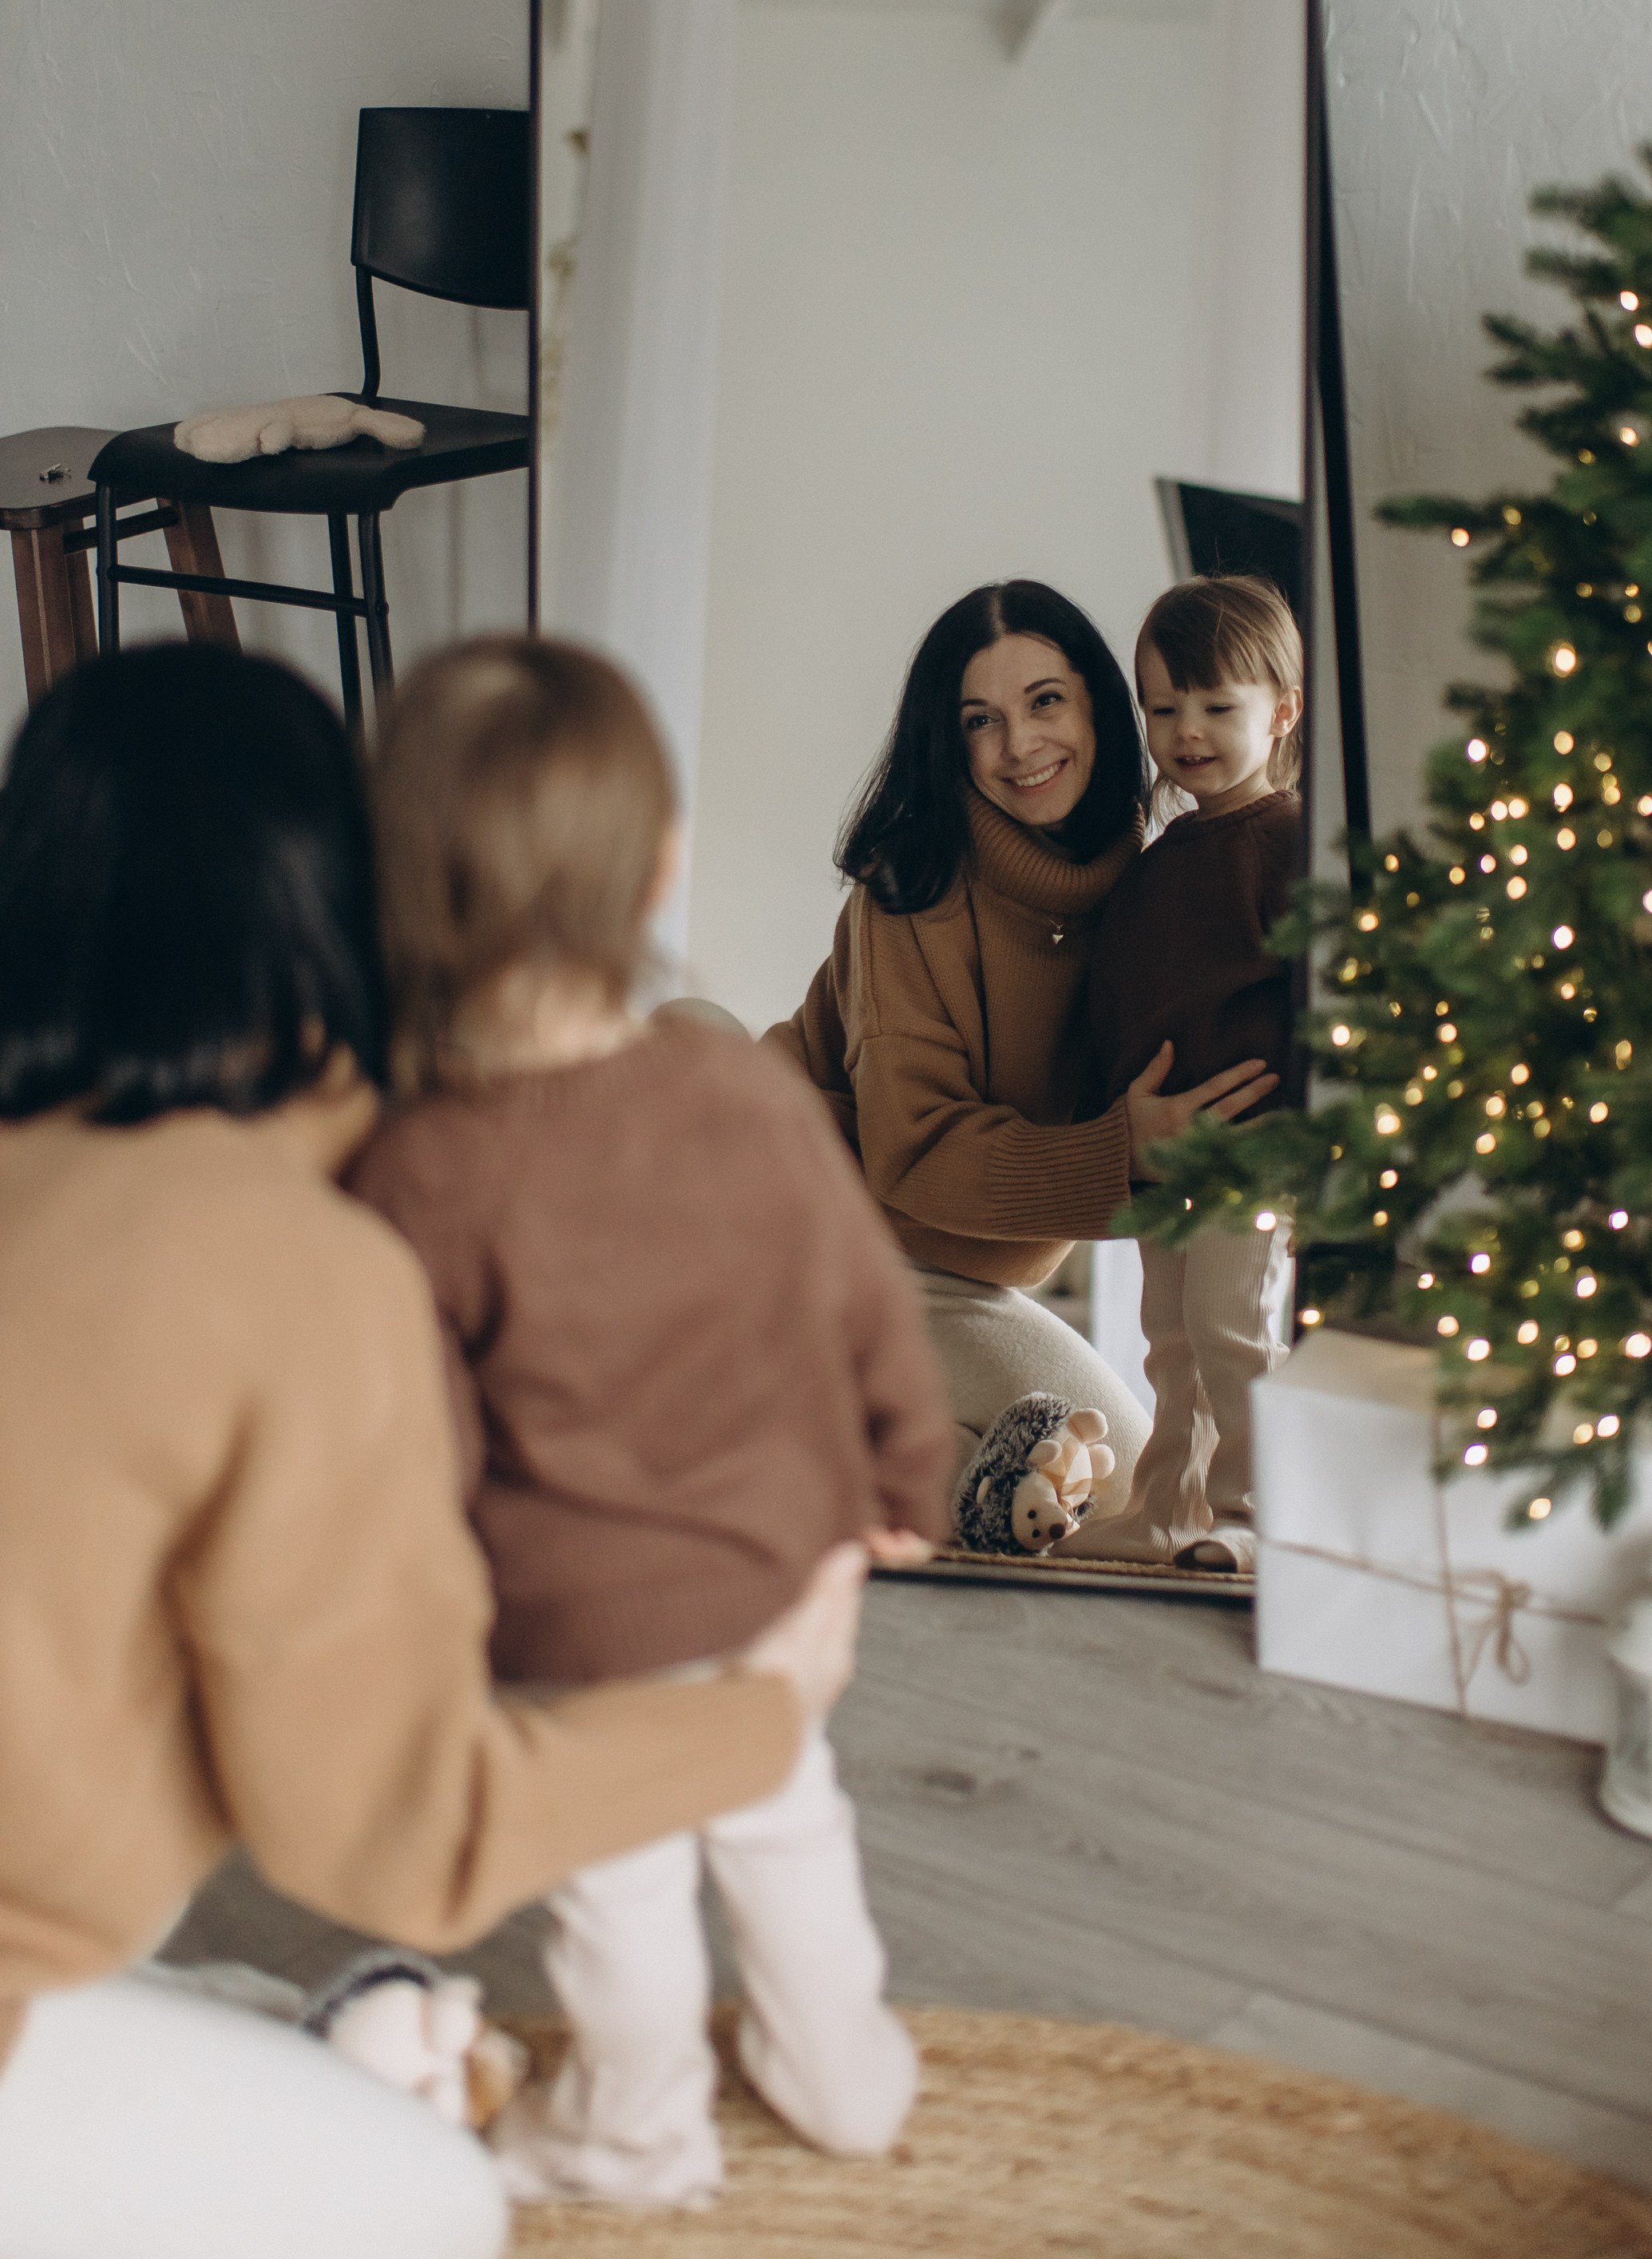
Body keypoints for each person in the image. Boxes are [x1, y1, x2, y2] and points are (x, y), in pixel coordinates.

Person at [0, 643, 866, 2259]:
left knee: (243, 2013)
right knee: (440, 2203)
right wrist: (763, 1719)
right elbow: (395, 1834)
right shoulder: (300, 1269)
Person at [348, 637, 952, 2213]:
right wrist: (903, 1474)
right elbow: (863, 1298)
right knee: (788, 1831)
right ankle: (848, 2080)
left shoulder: (417, 1170)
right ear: (660, 866)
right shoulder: (740, 1093)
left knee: (614, 1889)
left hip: (576, 1620)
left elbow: (416, 1443)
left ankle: (639, 2132)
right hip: (770, 1573)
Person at [770, 579, 1278, 1515]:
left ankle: (873, 1447)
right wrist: (1124, 1150)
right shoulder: (911, 890)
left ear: (1097, 707)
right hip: (816, 1234)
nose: (1019, 747)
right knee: (1125, 1503)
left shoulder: (1153, 891)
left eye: (1045, 702)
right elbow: (913, 1150)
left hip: (962, 1278)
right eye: (979, 720)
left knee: (1129, 1491)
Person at [1073, 576, 1307, 1572]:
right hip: (1167, 1158)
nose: (1188, 732)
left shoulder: (1289, 840)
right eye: (1164, 708)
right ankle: (1166, 1508)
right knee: (1168, 1336)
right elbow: (1131, 992)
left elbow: (1320, 992)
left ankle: (1259, 1518)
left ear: (1282, 712)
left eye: (1219, 706)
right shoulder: (1160, 860)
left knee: (1233, 1332)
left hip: (1252, 1157)